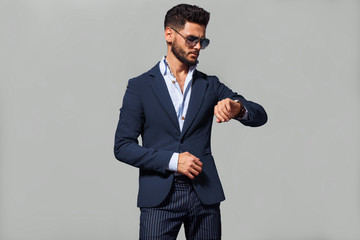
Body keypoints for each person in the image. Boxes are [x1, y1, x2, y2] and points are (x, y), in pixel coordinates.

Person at [114, 4, 267, 239]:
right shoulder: (140, 87)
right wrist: (174, 161)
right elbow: (123, 147)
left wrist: (238, 108)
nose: (197, 47)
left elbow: (260, 116)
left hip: (204, 194)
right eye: (191, 39)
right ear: (169, 35)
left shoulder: (210, 85)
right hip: (159, 197)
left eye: (202, 42)